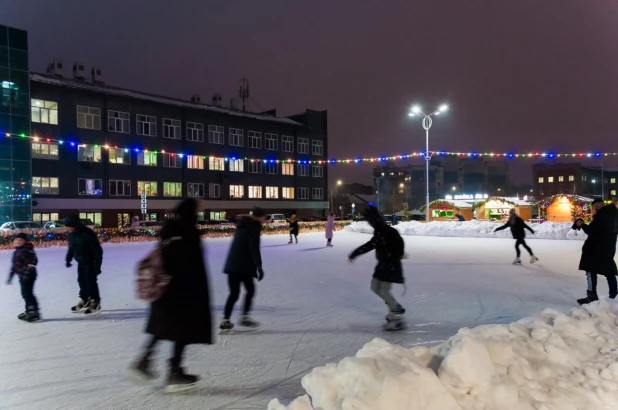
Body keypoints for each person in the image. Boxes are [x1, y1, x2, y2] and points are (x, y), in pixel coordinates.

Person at [130, 198, 212, 392]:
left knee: (164, 327)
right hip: (182, 291)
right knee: (181, 330)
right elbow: (189, 265)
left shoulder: (171, 229)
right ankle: (174, 371)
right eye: (198, 210)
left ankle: (145, 361)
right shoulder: (186, 231)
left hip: (165, 289)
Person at [348, 206, 406, 330]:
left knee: (383, 289)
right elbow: (372, 244)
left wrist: (398, 253)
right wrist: (355, 253)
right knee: (375, 287)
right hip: (383, 265)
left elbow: (399, 241)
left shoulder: (386, 231)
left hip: (390, 265)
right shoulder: (381, 231)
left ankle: (396, 310)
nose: (369, 223)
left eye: (369, 221)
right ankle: (394, 309)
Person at [221, 206, 266, 331]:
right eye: (264, 217)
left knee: (234, 293)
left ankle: (225, 319)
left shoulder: (243, 224)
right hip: (243, 265)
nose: (265, 220)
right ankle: (245, 317)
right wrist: (259, 266)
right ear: (259, 217)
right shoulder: (254, 226)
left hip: (233, 264)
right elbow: (254, 247)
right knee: (250, 290)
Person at [577, 199, 618, 305]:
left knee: (590, 270)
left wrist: (582, 224)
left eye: (593, 208)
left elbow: (592, 231)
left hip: (596, 249)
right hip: (608, 248)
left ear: (597, 207)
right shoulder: (613, 216)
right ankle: (614, 296)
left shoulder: (601, 216)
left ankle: (592, 296)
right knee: (609, 271)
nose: (592, 211)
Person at [64, 214, 103, 315]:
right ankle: (85, 300)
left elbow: (98, 251)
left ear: (75, 225)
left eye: (68, 226)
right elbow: (71, 248)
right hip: (81, 262)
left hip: (91, 262)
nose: (66, 228)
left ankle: (95, 302)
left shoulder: (88, 234)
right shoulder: (71, 235)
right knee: (81, 281)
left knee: (91, 282)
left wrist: (97, 266)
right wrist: (68, 259)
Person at [7, 233, 40, 322]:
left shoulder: (27, 250)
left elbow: (33, 261)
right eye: (16, 240)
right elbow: (15, 266)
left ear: (25, 242)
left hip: (28, 276)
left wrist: (28, 273)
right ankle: (30, 310)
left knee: (27, 294)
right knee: (26, 293)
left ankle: (32, 311)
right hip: (22, 276)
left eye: (21, 240)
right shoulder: (17, 251)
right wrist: (10, 276)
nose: (18, 241)